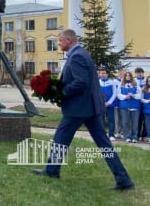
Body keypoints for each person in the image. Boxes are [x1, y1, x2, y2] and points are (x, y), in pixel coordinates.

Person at [33, 29, 134, 191]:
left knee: (60, 138)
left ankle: (52, 171)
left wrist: (61, 93)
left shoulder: (77, 56)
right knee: (104, 145)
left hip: (79, 108)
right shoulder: (80, 53)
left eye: (60, 41)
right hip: (90, 108)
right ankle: (124, 180)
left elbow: (81, 83)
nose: (58, 44)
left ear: (68, 40)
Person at [117, 71, 141, 143]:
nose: (128, 77)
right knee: (125, 122)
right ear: (124, 77)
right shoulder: (121, 84)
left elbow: (140, 95)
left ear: (131, 76)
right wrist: (125, 96)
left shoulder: (136, 84)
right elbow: (118, 95)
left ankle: (134, 137)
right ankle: (127, 137)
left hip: (135, 106)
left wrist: (133, 95)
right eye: (126, 76)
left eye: (129, 76)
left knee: (135, 123)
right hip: (124, 106)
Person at [98, 67, 117, 141]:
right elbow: (96, 94)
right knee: (101, 120)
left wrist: (109, 102)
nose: (102, 74)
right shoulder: (98, 82)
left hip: (110, 105)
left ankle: (111, 135)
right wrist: (102, 102)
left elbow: (114, 94)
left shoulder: (112, 82)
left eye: (104, 73)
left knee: (111, 120)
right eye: (100, 73)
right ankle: (103, 135)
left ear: (107, 74)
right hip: (101, 105)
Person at [134, 67, 147, 141]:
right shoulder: (134, 80)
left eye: (141, 72)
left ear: (143, 73)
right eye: (138, 72)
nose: (139, 74)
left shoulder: (147, 80)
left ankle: (144, 135)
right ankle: (137, 134)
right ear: (135, 74)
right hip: (137, 103)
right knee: (138, 120)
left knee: (146, 120)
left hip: (146, 103)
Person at [113, 69, 125, 139]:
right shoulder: (114, 81)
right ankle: (117, 132)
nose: (121, 74)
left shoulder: (125, 82)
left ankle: (123, 132)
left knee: (124, 118)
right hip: (116, 103)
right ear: (117, 74)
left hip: (123, 103)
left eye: (122, 73)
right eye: (120, 73)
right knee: (117, 118)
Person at [141, 76, 150, 144]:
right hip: (147, 109)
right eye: (149, 81)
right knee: (147, 125)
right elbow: (141, 99)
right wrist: (147, 101)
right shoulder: (144, 89)